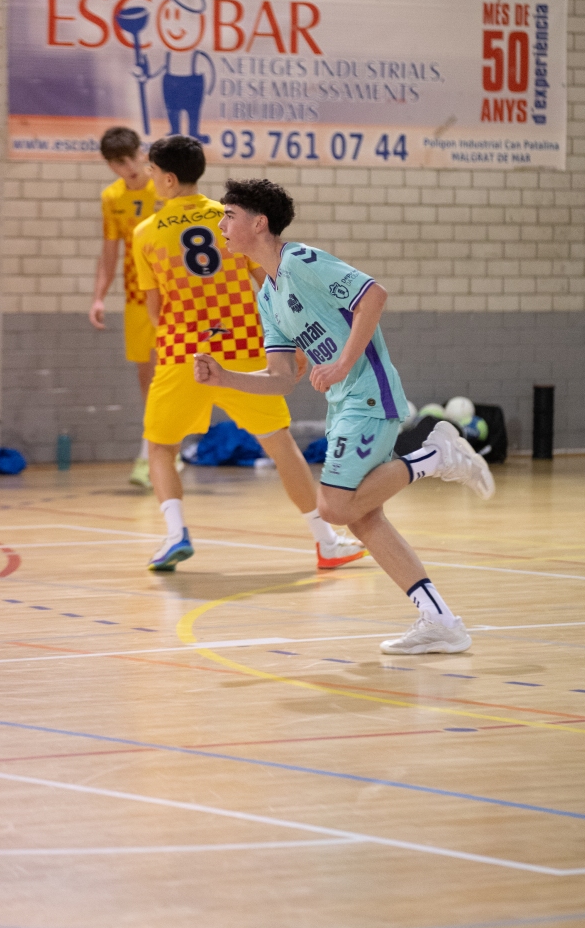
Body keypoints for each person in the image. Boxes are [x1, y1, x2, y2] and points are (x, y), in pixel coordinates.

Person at [193, 179, 495, 656]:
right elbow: (282, 378)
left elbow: (373, 295)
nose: (221, 226)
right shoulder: (267, 296)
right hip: (343, 404)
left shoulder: (300, 260)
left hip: (368, 395)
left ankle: (434, 457)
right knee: (362, 516)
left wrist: (343, 363)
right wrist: (225, 377)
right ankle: (441, 621)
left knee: (334, 508)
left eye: (229, 215)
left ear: (259, 223)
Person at [132, 135, 366, 573]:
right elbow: (269, 281)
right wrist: (293, 341)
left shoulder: (145, 233)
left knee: (161, 448)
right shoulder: (229, 217)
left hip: (183, 353)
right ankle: (326, 542)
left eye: (151, 171)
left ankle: (175, 534)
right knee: (280, 445)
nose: (149, 177)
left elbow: (153, 309)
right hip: (243, 349)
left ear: (168, 178)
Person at [89, 126, 159, 488]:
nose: (128, 167)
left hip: (174, 297)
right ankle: (158, 448)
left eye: (132, 158)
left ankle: (157, 452)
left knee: (170, 373)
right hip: (136, 298)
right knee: (146, 378)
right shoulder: (111, 197)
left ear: (142, 153)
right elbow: (109, 253)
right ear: (110, 165)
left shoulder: (163, 185)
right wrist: (99, 296)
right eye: (119, 162)